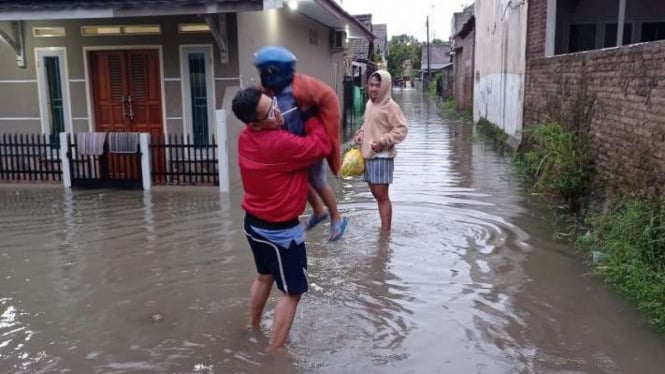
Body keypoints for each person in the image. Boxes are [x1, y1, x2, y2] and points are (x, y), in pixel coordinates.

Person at [231, 86, 331, 352]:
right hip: (281, 233)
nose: (277, 111)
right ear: (255, 123)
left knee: (264, 276)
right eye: (269, 112)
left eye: (273, 103)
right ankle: (272, 356)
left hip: (253, 224)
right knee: (293, 291)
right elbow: (321, 146)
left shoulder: (245, 137)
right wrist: (311, 117)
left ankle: (251, 326)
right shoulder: (281, 144)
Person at [253, 45, 348, 242]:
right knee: (302, 180)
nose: (263, 76)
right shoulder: (271, 92)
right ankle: (319, 212)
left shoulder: (300, 89)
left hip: (309, 144)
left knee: (319, 182)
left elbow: (327, 98)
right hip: (292, 145)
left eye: (265, 71)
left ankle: (336, 217)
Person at [354, 70, 408, 233]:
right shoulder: (370, 104)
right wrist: (360, 134)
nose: (374, 88)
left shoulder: (391, 106)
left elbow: (402, 129)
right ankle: (384, 230)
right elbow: (367, 124)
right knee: (377, 195)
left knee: (382, 196)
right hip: (369, 155)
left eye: (378, 85)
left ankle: (385, 234)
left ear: (385, 86)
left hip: (382, 157)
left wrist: (384, 141)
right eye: (371, 85)